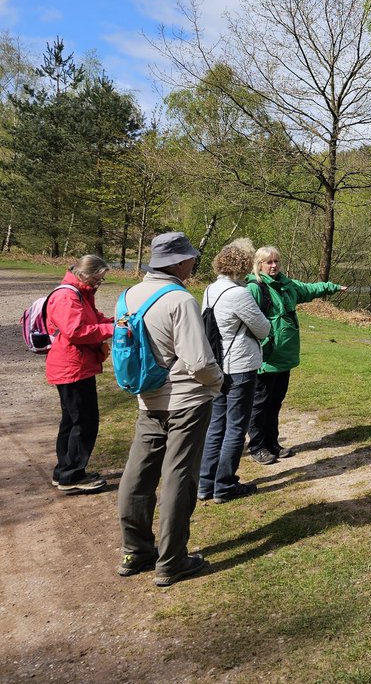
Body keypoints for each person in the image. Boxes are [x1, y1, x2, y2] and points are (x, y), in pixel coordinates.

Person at [116, 232, 223, 587]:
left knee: (139, 474)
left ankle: (136, 550)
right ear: (178, 262)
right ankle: (172, 561)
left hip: (147, 397)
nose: (194, 263)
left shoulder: (128, 295)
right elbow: (199, 361)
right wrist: (218, 383)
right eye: (191, 258)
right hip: (186, 402)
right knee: (179, 476)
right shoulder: (180, 299)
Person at [245, 245, 345, 465]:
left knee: (275, 402)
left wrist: (332, 287)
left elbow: (310, 289)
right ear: (259, 265)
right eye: (268, 262)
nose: (273, 266)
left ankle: (272, 443)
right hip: (266, 358)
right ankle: (257, 447)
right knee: (260, 404)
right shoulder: (255, 288)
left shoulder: (288, 285)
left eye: (276, 262)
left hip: (284, 358)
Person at [198, 240, 271, 504]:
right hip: (240, 366)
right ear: (242, 265)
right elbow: (264, 329)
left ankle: (205, 483)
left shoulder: (209, 289)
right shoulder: (239, 294)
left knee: (216, 425)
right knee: (236, 427)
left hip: (217, 364)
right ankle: (225, 485)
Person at [44, 254, 115, 494]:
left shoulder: (80, 293)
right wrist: (112, 329)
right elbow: (76, 331)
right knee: (84, 422)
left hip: (74, 366)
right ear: (85, 274)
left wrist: (116, 322)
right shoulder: (66, 296)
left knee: (72, 421)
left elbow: (93, 320)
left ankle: (64, 471)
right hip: (72, 368)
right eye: (98, 278)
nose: (99, 283)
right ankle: (72, 475)